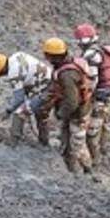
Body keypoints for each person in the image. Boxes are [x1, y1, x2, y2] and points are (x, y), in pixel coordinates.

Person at [41, 37, 93, 174]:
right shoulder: (65, 66)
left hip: (77, 114)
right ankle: (71, 167)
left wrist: (59, 115)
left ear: (53, 56)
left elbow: (71, 101)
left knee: (78, 146)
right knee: (65, 141)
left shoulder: (67, 75)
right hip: (73, 111)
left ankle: (87, 171)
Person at [0, 52, 53, 144]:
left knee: (20, 113)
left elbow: (19, 99)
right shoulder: (16, 56)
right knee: (40, 113)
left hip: (45, 89)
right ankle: (44, 141)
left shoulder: (14, 73)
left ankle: (13, 143)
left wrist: (8, 111)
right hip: (47, 82)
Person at [74, 23, 110, 162]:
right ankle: (103, 149)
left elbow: (92, 81)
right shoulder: (104, 51)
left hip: (100, 98)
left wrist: (83, 98)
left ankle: (95, 159)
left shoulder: (92, 55)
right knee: (103, 124)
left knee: (92, 131)